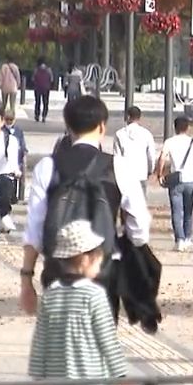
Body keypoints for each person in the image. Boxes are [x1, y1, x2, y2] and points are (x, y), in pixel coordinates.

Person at [19, 96, 151, 318]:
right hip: (103, 273)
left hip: (57, 272)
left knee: (58, 344)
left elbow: (35, 230)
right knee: (100, 342)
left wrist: (26, 279)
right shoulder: (118, 166)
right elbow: (139, 229)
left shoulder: (47, 167)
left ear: (68, 127)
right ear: (102, 127)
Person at [28, 219, 138, 385]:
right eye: (98, 259)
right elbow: (108, 341)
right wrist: (121, 376)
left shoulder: (51, 294)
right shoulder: (94, 295)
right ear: (86, 259)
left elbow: (40, 342)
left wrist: (37, 382)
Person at [157, 116, 193, 251]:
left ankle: (179, 240)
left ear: (175, 127)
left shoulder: (170, 142)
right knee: (188, 211)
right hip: (190, 180)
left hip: (175, 181)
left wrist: (160, 174)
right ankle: (187, 238)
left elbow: (162, 158)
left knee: (176, 211)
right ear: (187, 128)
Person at [114, 106, 158, 195]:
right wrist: (150, 170)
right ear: (139, 117)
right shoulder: (146, 134)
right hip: (141, 173)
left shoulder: (119, 134)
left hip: (125, 175)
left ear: (128, 116)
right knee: (140, 204)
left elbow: (116, 157)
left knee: (125, 204)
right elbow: (151, 156)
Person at [33, 58, 54, 123]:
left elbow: (33, 79)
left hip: (37, 88)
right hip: (46, 88)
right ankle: (44, 116)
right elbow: (51, 79)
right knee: (45, 102)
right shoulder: (49, 70)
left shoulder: (36, 70)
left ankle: (37, 115)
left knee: (37, 102)